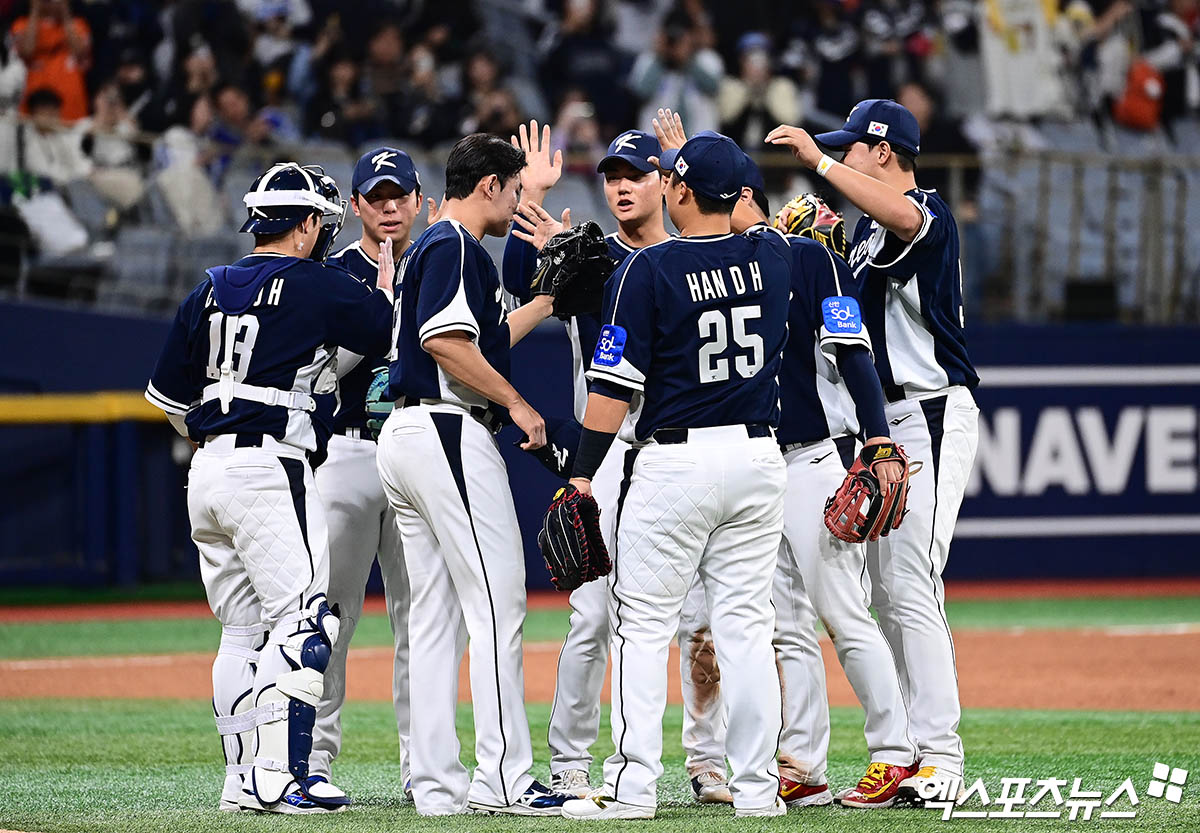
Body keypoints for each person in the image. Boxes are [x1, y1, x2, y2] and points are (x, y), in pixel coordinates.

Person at [144, 162, 395, 814]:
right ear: (308, 224)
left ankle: (239, 780)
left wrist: (221, 429)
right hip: (270, 466)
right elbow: (380, 331)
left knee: (239, 632)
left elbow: (168, 397)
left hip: (208, 470)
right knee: (304, 620)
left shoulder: (207, 288)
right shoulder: (314, 281)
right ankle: (280, 777)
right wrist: (386, 288)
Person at [559, 131, 791, 820]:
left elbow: (607, 396)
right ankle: (757, 791)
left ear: (676, 190)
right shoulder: (775, 256)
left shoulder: (647, 271)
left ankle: (632, 789)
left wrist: (578, 476)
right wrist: (717, 175)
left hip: (675, 459)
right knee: (747, 627)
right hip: (757, 459)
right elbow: (756, 221)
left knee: (642, 624)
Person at [504, 124, 733, 805]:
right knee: (595, 613)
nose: (621, 185)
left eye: (636, 172)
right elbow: (517, 295)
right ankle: (572, 757)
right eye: (612, 175)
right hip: (606, 454)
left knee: (700, 617)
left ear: (669, 182)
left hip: (683, 449)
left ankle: (707, 758)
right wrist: (533, 197)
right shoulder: (588, 259)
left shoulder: (697, 256)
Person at [768, 98, 981, 804]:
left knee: (911, 583)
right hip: (881, 424)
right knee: (886, 592)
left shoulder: (928, 209)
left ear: (882, 151)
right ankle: (911, 752)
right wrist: (814, 252)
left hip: (930, 410)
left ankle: (940, 759)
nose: (841, 157)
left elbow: (905, 219)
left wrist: (819, 163)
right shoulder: (861, 232)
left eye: (852, 149)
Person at [374, 132, 569, 817]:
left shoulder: (436, 243)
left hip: (408, 431)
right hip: (448, 427)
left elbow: (476, 337)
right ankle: (506, 777)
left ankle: (436, 784)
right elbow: (445, 343)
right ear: (488, 185)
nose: (518, 200)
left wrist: (544, 302)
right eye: (514, 189)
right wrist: (516, 401)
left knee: (435, 617)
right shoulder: (455, 241)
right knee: (497, 602)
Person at [728, 157, 920, 809]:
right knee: (784, 624)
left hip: (812, 460)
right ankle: (803, 761)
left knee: (841, 612)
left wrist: (878, 438)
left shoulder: (812, 259)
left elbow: (854, 352)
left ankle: (896, 750)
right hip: (758, 465)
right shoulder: (719, 268)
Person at [309, 147, 423, 796]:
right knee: (331, 615)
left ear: (418, 201)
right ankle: (316, 761)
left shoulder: (438, 263)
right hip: (348, 450)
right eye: (375, 196)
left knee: (419, 620)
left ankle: (421, 767)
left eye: (397, 194)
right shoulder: (332, 273)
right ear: (354, 206)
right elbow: (321, 373)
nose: (387, 206)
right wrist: (374, 312)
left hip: (415, 448)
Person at [10, 0, 91, 123]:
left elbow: (79, 51)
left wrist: (65, 13)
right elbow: (27, 51)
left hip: (70, 98)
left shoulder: (78, 24)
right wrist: (35, 10)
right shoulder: (22, 23)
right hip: (35, 95)